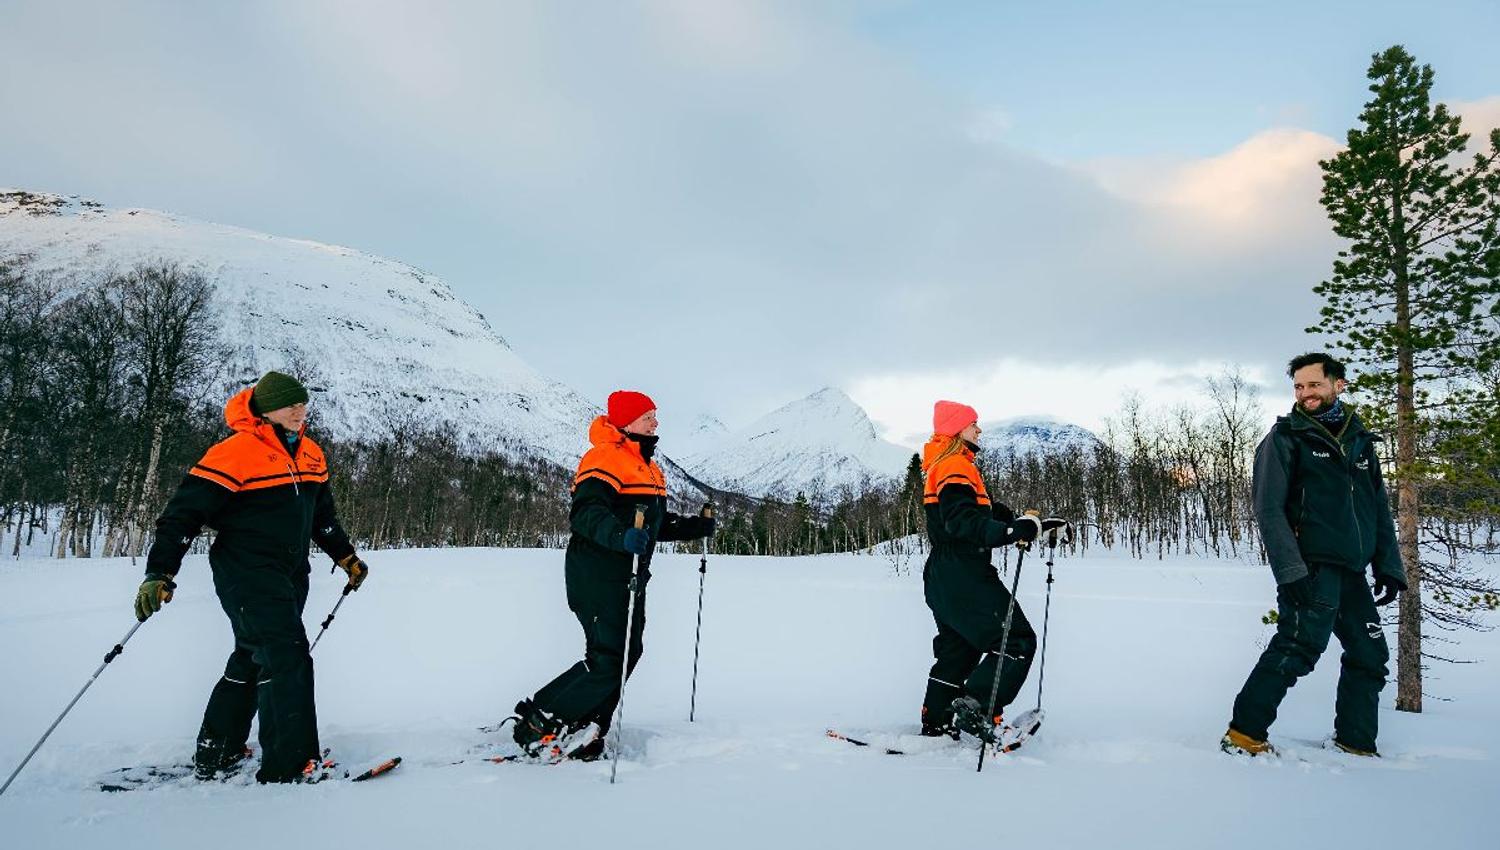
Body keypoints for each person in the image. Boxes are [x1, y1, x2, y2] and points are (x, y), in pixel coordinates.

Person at [133, 371, 370, 783]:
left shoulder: (311, 453)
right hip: (245, 568)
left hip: (291, 571)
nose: (300, 410)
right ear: (265, 409)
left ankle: (218, 749)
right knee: (286, 653)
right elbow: (182, 515)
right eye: (289, 404)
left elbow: (322, 517)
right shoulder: (236, 451)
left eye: (302, 403)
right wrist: (160, 571)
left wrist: (346, 556)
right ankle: (291, 762)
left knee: (252, 653)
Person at [511, 391, 715, 760]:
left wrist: (691, 527)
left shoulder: (648, 467)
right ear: (627, 422)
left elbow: (650, 525)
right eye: (648, 416)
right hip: (597, 575)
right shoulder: (604, 457)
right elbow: (587, 513)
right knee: (609, 657)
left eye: (655, 415)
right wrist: (622, 537)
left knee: (626, 653)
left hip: (631, 577)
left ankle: (586, 726)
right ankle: (540, 720)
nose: (656, 422)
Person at [1222, 353, 1405, 757]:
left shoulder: (1359, 441)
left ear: (1338, 384)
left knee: (1370, 654)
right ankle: (1244, 735)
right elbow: (1268, 509)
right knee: (1296, 649)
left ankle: (1355, 743)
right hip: (1311, 569)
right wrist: (1290, 571)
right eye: (1299, 387)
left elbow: (1376, 507)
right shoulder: (1285, 439)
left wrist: (1389, 566)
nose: (1306, 394)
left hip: (1352, 571)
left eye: (1314, 385)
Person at [917, 400, 1052, 744]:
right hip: (965, 573)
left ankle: (937, 721)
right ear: (955, 430)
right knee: (1016, 641)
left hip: (943, 575)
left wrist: (1032, 525)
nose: (979, 430)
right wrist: (1010, 533)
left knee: (958, 650)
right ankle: (978, 709)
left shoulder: (942, 465)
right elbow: (963, 521)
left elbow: (989, 514)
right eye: (973, 424)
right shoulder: (955, 466)